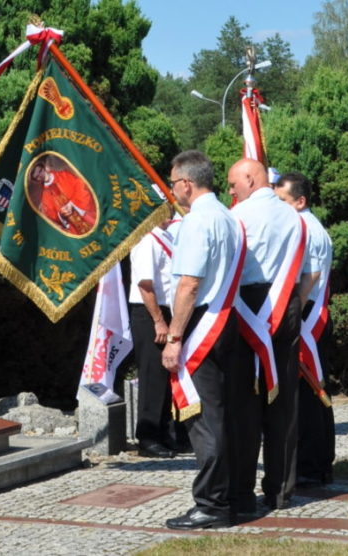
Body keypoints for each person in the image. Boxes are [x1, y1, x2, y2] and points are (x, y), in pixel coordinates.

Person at [161, 150, 244, 530]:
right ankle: (231, 494)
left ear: (187, 184)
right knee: (222, 413)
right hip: (227, 320)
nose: (172, 189)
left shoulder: (198, 222)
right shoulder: (228, 216)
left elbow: (189, 285)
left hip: (203, 324)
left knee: (204, 417)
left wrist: (175, 337)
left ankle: (211, 504)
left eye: (173, 182)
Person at [226, 158, 308, 516]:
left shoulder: (239, 216)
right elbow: (305, 273)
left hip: (248, 304)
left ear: (250, 178)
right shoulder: (295, 216)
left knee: (245, 401)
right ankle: (281, 489)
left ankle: (241, 491)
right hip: (286, 302)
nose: (230, 191)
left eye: (233, 184)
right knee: (283, 399)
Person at [274, 172, 335, 486]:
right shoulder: (306, 225)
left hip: (307, 313)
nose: (279, 207)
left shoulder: (307, 229)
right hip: (309, 311)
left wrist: (290, 311)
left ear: (300, 201)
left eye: (283, 201)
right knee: (312, 391)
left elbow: (308, 277)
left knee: (308, 392)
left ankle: (312, 465)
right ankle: (318, 461)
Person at [128, 208, 186, 458]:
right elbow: (145, 284)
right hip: (149, 313)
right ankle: (148, 437)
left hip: (165, 311)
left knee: (164, 376)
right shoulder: (147, 240)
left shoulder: (166, 237)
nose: (169, 212)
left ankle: (164, 433)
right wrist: (159, 321)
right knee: (152, 376)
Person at [28, 158, 97, 234]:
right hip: (73, 227)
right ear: (37, 180)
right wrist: (61, 214)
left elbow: (81, 187)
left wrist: (72, 204)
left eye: (40, 171)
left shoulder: (63, 175)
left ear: (44, 168)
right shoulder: (44, 196)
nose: (40, 176)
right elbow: (52, 217)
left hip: (88, 216)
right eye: (37, 177)